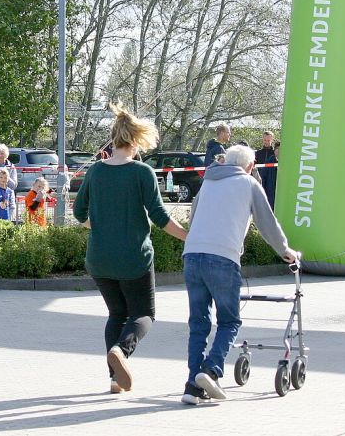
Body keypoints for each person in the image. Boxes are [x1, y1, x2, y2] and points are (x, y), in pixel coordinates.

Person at [73, 102, 189, 394]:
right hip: (133, 259)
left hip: (99, 259)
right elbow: (161, 218)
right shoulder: (142, 172)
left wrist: (96, 224)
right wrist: (190, 237)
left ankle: (114, 378)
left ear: (113, 139)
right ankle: (121, 352)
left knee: (116, 314)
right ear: (135, 141)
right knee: (144, 314)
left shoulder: (96, 172)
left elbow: (78, 213)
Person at [180, 145, 299, 403]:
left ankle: (192, 386)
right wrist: (286, 251)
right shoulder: (248, 184)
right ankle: (211, 369)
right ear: (250, 166)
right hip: (222, 258)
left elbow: (193, 218)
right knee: (230, 321)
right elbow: (268, 224)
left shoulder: (208, 182)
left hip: (191, 256)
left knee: (198, 322)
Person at [255, 131, 278, 209]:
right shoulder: (258, 153)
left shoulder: (274, 153)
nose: (266, 142)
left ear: (272, 140)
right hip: (260, 180)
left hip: (271, 181)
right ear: (262, 140)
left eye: (268, 140)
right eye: (265, 140)